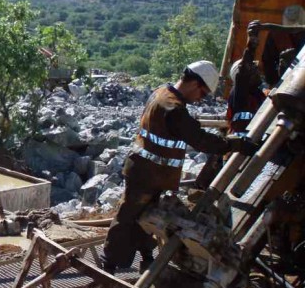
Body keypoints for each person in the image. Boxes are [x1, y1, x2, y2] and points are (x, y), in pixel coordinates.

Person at [101, 61, 259, 275]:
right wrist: (236, 144)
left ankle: (147, 259)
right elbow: (201, 141)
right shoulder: (173, 108)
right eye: (202, 94)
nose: (200, 99)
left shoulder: (162, 93)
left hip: (149, 171)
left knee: (146, 216)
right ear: (195, 83)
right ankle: (108, 266)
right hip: (148, 173)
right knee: (128, 216)